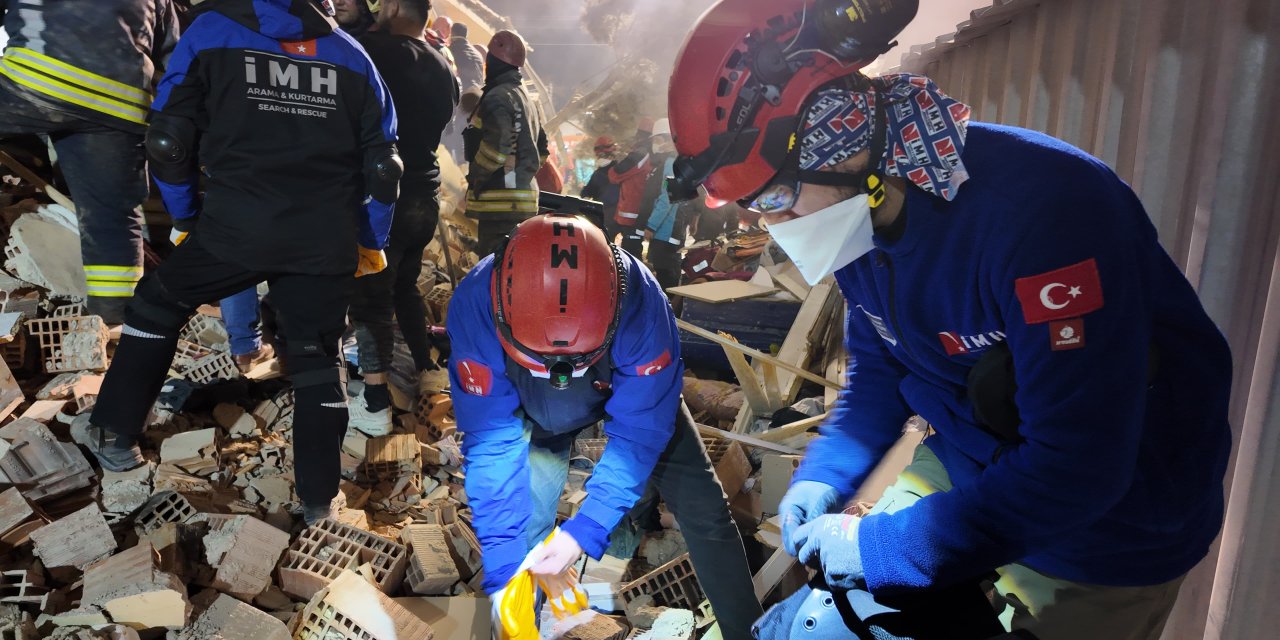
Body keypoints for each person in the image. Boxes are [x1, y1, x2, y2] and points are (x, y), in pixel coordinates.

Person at [666, 1, 1234, 639]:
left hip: (1106, 530)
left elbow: (1080, 466)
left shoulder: (1047, 215)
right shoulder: (865, 222)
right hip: (975, 465)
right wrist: (825, 475)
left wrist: (885, 550)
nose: (773, 226)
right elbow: (882, 370)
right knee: (807, 627)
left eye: (773, 199)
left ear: (845, 148)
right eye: (754, 209)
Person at [74, 0, 400, 528]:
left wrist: (186, 218)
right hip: (323, 236)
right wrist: (368, 239)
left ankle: (115, 437)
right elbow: (385, 168)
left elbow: (169, 141)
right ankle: (319, 504)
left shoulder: (212, 31)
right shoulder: (353, 56)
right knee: (319, 357)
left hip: (235, 226)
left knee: (157, 307)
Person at [447, 213, 762, 639]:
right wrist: (503, 555)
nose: (563, 372)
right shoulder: (477, 304)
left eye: (573, 361)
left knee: (705, 509)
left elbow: (639, 433)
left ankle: (746, 633)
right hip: (530, 403)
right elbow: (491, 440)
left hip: (624, 385)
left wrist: (588, 527)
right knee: (525, 530)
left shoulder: (642, 303)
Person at [0, 0, 179, 324]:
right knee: (111, 214)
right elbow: (171, 55)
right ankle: (112, 321)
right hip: (120, 104)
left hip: (36, 84)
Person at [346, 0, 458, 435]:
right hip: (423, 199)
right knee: (404, 287)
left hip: (384, 197)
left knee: (370, 295)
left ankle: (373, 404)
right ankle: (427, 367)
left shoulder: (376, 50)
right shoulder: (442, 65)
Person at [462, 29, 547, 256]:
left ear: (493, 61)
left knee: (494, 272)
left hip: (498, 204)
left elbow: (498, 148)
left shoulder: (498, 96)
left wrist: (476, 176)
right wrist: (521, 174)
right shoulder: (527, 98)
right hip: (525, 201)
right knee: (514, 272)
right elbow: (542, 149)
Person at [637, 119, 688, 290]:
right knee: (667, 272)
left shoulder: (671, 163)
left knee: (666, 274)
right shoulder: (675, 162)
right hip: (671, 229)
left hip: (666, 231)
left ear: (667, 140)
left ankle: (669, 311)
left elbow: (668, 198)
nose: (654, 144)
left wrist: (651, 226)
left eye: (657, 140)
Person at [606, 120, 656, 256]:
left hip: (631, 211)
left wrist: (612, 166)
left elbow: (615, 175)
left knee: (629, 251)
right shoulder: (655, 155)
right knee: (632, 248)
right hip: (641, 210)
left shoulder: (639, 154)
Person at [448, 22, 484, 95]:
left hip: (461, 94)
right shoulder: (478, 54)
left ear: (452, 33)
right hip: (477, 95)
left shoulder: (453, 50)